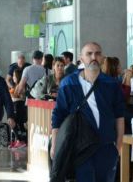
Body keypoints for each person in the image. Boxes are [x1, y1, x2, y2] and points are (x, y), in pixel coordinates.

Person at [51, 42, 125, 182]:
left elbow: (119, 115)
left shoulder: (111, 84)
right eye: (89, 54)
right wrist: (55, 144)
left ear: (102, 58)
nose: (94, 57)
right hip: (80, 147)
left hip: (106, 147)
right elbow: (58, 115)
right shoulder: (69, 83)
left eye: (97, 53)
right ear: (81, 59)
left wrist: (118, 145)